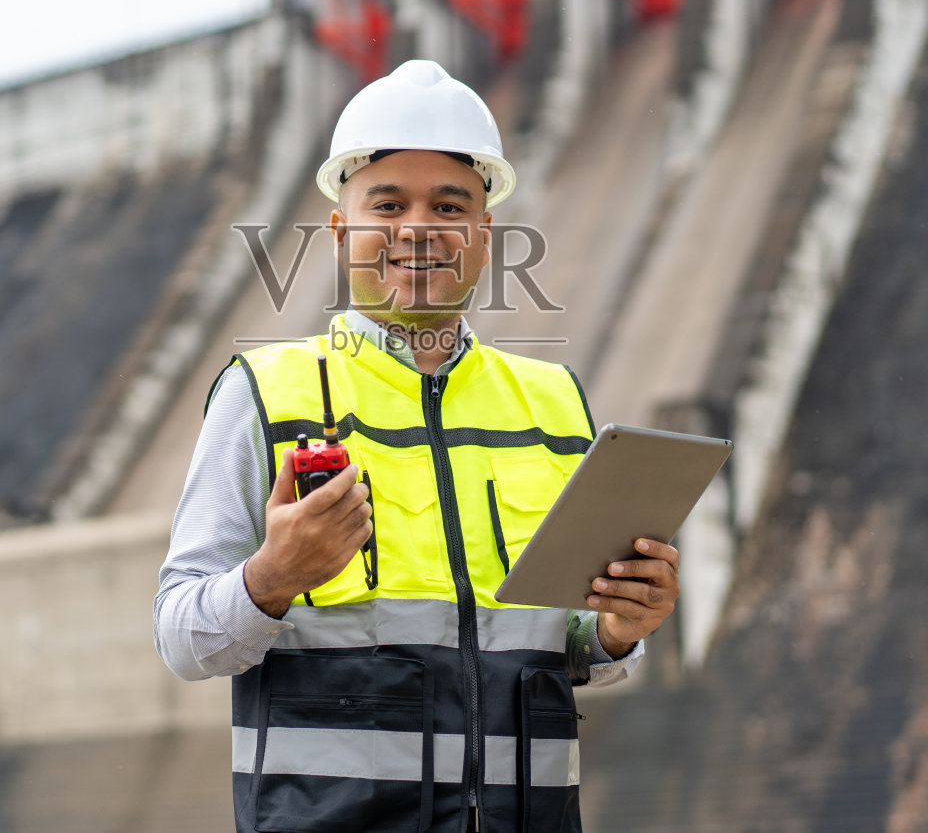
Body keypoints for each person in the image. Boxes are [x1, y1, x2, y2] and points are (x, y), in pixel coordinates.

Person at [154, 59, 681, 833]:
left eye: (449, 205)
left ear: (484, 233)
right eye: (389, 204)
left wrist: (615, 631)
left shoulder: (554, 405)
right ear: (341, 232)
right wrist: (271, 578)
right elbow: (180, 637)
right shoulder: (266, 395)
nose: (419, 229)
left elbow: (559, 647)